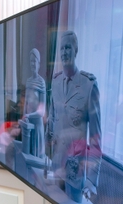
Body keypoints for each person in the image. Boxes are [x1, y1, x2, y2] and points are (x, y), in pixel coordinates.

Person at [46, 30, 102, 203]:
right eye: (62, 48)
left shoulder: (88, 85)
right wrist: (47, 154)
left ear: (76, 50)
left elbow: (95, 137)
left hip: (75, 170)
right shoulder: (54, 82)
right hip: (55, 165)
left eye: (68, 47)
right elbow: (51, 121)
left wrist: (92, 179)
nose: (64, 52)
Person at [22, 48, 46, 159]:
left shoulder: (41, 82)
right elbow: (26, 103)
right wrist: (24, 116)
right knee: (27, 155)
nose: (32, 64)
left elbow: (42, 112)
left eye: (34, 61)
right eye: (31, 61)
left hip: (37, 126)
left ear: (39, 63)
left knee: (36, 158)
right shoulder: (28, 81)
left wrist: (28, 115)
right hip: (28, 124)